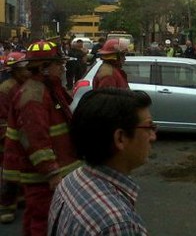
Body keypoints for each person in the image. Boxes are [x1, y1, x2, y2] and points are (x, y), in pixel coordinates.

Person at [49, 88, 155, 235]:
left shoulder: (70, 181)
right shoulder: (117, 224)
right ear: (120, 138)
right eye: (149, 127)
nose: (153, 136)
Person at [2, 40, 81, 235]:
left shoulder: (48, 88)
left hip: (47, 172)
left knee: (34, 216)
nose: (63, 68)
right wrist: (52, 172)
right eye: (58, 64)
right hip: (42, 176)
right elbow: (34, 138)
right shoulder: (33, 95)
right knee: (44, 220)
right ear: (43, 67)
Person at [0, 52, 30, 224]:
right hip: (8, 138)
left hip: (19, 136)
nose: (28, 71)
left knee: (20, 169)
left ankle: (18, 198)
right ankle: (6, 206)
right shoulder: (6, 89)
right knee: (9, 172)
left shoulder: (22, 85)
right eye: (25, 68)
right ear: (16, 70)